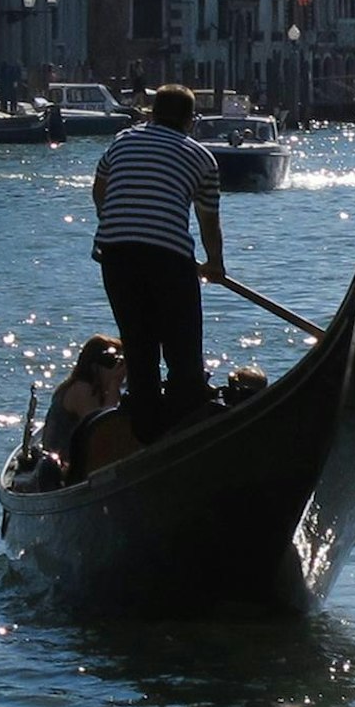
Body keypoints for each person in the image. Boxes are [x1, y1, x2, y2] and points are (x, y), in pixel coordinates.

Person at [91, 83, 225, 443]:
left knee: (140, 347)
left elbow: (99, 190)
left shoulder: (122, 141)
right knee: (183, 351)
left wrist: (115, 224)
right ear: (190, 120)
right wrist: (215, 263)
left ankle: (148, 434)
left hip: (115, 254)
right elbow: (208, 218)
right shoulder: (201, 158)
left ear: (150, 113)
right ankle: (185, 429)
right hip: (168, 257)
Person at [38, 334, 125, 455]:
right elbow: (102, 429)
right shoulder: (81, 389)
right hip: (64, 461)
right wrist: (115, 383)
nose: (119, 370)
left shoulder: (100, 390)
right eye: (113, 364)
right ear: (95, 367)